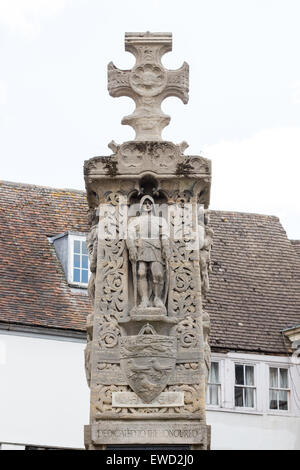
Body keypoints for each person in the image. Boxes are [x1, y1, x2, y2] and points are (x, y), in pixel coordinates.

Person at [126, 195, 170, 310]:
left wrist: (165, 246)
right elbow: (129, 234)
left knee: (158, 274)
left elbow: (164, 234)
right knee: (141, 272)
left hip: (156, 247)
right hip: (141, 246)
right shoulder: (135, 221)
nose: (147, 205)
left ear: (152, 206)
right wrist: (131, 247)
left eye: (149, 203)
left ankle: (157, 298)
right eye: (145, 203)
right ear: (141, 206)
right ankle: (144, 299)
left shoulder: (160, 220)